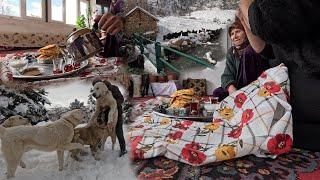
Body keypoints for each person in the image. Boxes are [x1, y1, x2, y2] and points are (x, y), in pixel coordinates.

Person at [237, 0, 320, 151]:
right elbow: (266, 50)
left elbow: (270, 22)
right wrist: (245, 17)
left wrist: (246, 6)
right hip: (294, 113)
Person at [213, 17, 269, 101]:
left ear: (246, 33)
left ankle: (246, 95)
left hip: (255, 85)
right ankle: (239, 95)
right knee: (217, 93)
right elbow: (227, 74)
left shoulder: (254, 48)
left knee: (247, 52)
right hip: (238, 87)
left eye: (238, 31)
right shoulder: (231, 52)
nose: (234, 36)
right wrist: (231, 89)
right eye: (232, 34)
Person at [92, 78, 127, 157]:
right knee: (101, 132)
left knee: (118, 131)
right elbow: (99, 105)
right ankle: (99, 148)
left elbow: (121, 99)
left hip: (117, 114)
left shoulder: (113, 88)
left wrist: (111, 105)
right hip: (105, 116)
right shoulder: (97, 92)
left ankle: (123, 149)